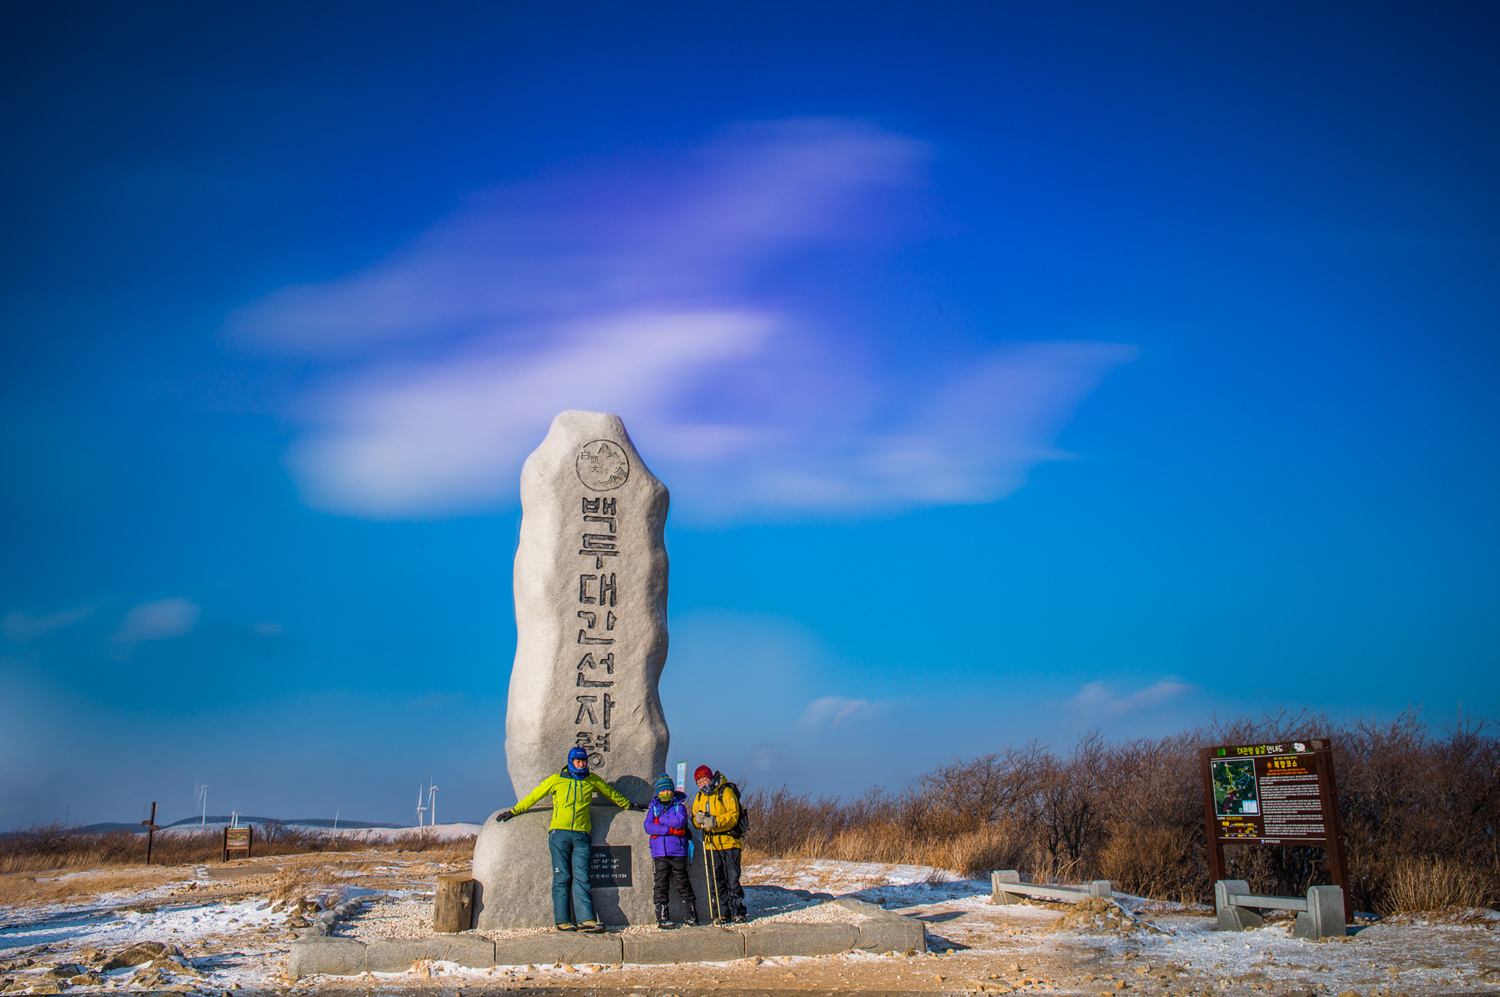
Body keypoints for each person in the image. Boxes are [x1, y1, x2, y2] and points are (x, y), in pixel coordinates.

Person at [496, 746, 646, 932]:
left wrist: (630, 805)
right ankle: (562, 920)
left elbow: (610, 793)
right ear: (570, 762)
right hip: (560, 835)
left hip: (582, 835)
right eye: (578, 761)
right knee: (562, 877)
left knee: (582, 876)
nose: (582, 764)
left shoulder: (591, 780)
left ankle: (586, 919)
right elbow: (535, 796)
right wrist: (514, 811)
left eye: (584, 761)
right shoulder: (557, 780)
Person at [643, 773, 700, 929]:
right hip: (659, 853)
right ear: (658, 792)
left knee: (682, 883)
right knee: (661, 884)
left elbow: (680, 821)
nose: (665, 793)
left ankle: (691, 916)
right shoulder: (653, 808)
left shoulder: (679, 807)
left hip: (678, 852)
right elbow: (648, 826)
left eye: (668, 790)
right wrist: (670, 830)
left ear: (673, 791)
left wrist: (660, 820)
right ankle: (662, 918)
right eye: (662, 791)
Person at [690, 764, 746, 923]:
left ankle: (738, 911)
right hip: (711, 844)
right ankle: (722, 912)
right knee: (717, 880)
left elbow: (733, 815)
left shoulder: (725, 792)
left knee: (732, 879)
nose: (702, 784)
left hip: (729, 842)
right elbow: (694, 819)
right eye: (699, 782)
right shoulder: (700, 797)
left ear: (711, 778)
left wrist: (715, 821)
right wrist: (697, 820)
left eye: (705, 779)